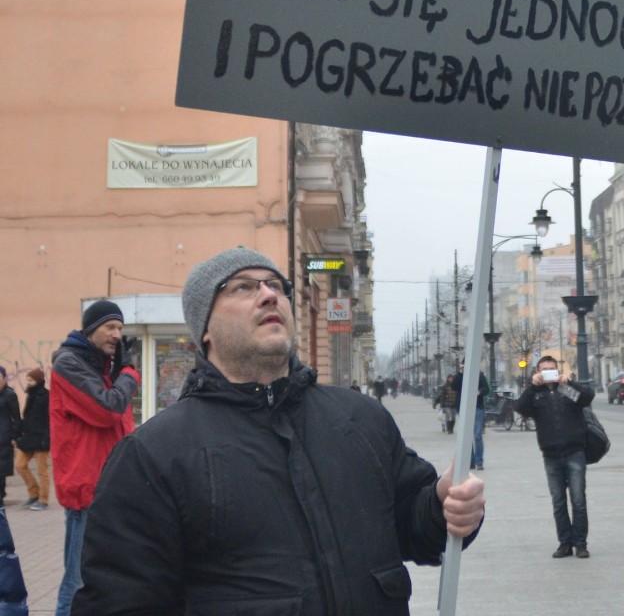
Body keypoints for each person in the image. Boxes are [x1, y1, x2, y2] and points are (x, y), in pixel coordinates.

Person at [72, 248, 485, 615]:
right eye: (242, 288)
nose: (269, 295)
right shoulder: (154, 453)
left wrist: (443, 505)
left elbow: (414, 525)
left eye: (276, 286)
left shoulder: (360, 418)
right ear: (205, 331)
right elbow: (120, 600)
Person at [50, 299, 140, 616]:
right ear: (90, 330)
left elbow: (120, 425)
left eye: (120, 328)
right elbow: (107, 409)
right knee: (77, 583)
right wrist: (129, 373)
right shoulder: (68, 363)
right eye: (109, 327)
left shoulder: (100, 366)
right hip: (86, 491)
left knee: (108, 580)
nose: (117, 334)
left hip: (110, 486)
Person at [515, 356, 595, 559]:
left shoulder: (565, 390)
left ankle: (580, 544)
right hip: (551, 455)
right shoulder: (536, 394)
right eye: (544, 370)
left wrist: (568, 382)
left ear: (557, 371)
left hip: (575, 452)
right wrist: (532, 386)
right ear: (538, 372)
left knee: (578, 500)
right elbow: (520, 408)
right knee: (558, 502)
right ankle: (564, 543)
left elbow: (587, 397)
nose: (548, 373)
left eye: (552, 369)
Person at [15, 367, 51, 510]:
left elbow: (49, 420)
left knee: (42, 471)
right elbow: (27, 418)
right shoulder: (30, 395)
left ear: (38, 380)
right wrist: (19, 435)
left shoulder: (47, 396)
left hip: (42, 439)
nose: (28, 382)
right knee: (20, 465)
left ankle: (43, 499)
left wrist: (47, 438)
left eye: (30, 379)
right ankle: (33, 493)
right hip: (29, 438)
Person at [451, 361, 489, 470]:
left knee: (477, 435)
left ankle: (479, 461)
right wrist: (460, 373)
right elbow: (454, 386)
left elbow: (486, 388)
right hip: (463, 408)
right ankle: (470, 461)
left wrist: (479, 391)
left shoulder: (479, 375)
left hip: (477, 407)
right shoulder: (460, 376)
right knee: (466, 436)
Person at [0, 367, 21, 508]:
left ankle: (1, 495)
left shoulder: (10, 394)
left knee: (1, 469)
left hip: (4, 435)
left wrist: (15, 436)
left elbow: (17, 418)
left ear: (5, 379)